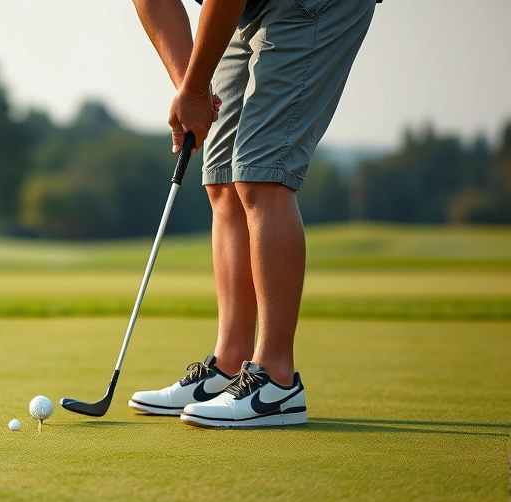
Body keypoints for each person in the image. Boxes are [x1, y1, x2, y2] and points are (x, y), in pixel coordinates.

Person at [126, 0, 378, 427]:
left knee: (261, 173)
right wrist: (193, 90)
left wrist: (193, 91)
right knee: (221, 176)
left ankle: (277, 380)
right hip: (245, 12)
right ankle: (228, 365)